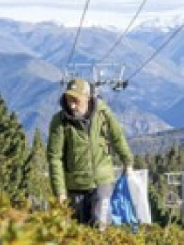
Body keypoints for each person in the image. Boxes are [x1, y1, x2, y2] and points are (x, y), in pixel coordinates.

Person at [47, 78, 134, 227]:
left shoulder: (103, 114)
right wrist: (60, 191)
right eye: (69, 100)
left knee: (100, 226)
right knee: (79, 231)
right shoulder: (60, 121)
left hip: (102, 180)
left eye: (76, 100)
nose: (72, 105)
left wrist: (128, 161)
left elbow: (117, 137)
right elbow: (54, 158)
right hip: (75, 185)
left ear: (87, 97)